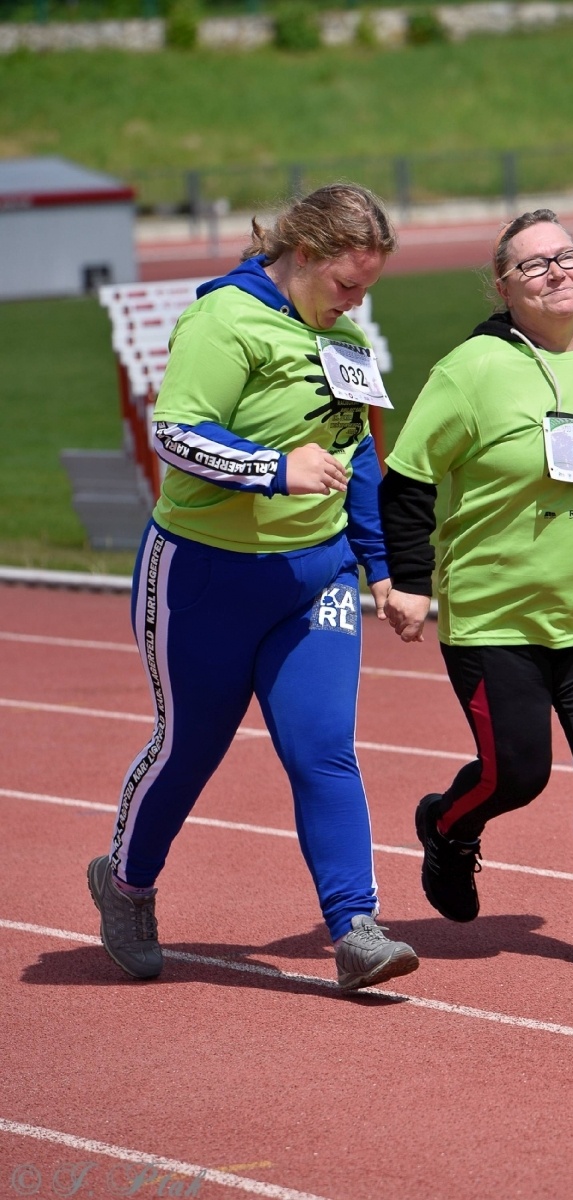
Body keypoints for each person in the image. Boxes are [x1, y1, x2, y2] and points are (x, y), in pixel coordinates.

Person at [87, 183, 419, 993]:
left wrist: (383, 570)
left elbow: (361, 456)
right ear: (301, 254)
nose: (355, 303)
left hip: (316, 581)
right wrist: (275, 468)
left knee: (322, 749)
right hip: (202, 576)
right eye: (347, 284)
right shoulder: (223, 321)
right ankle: (125, 884)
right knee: (190, 747)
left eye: (367, 290)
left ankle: (355, 927)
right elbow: (175, 433)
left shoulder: (342, 340)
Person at [379, 208, 573, 973]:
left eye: (567, 256)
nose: (557, 272)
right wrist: (410, 583)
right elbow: (408, 480)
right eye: (534, 264)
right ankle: (446, 827)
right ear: (502, 287)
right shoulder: (470, 370)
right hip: (494, 618)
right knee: (515, 774)